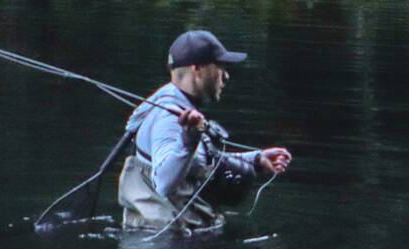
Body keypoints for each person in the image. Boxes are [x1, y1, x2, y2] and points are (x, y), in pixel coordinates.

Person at [118, 29, 292, 233]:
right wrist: (189, 139)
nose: (226, 76)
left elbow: (198, 160)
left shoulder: (180, 105)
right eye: (220, 67)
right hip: (162, 248)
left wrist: (255, 160)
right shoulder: (169, 117)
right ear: (197, 68)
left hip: (174, 239)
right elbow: (164, 181)